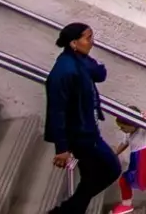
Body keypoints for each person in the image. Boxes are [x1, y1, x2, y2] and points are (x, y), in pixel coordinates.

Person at [45, 23, 121, 214]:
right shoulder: (65, 70)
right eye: (88, 38)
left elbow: (100, 74)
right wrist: (62, 148)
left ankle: (70, 211)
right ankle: (65, 211)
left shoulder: (79, 61)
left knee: (90, 177)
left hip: (88, 129)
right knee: (111, 168)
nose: (92, 42)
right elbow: (57, 110)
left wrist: (89, 59)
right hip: (81, 135)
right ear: (73, 43)